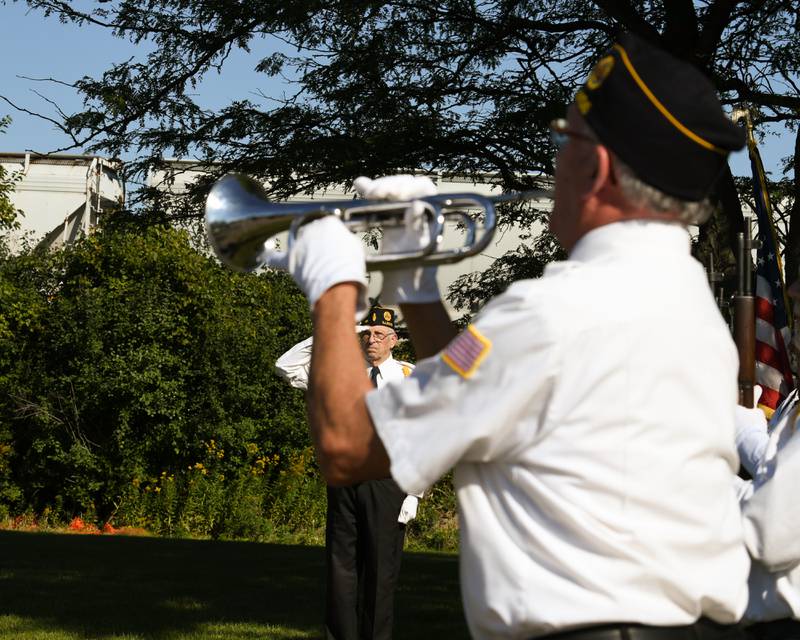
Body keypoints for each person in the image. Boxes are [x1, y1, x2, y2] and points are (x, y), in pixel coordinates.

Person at [269, 33, 751, 639]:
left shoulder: (551, 315)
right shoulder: (687, 306)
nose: (554, 160)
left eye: (563, 142)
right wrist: (416, 282)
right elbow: (470, 376)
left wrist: (335, 288)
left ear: (595, 166)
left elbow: (345, 447)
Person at [275, 306, 417, 640]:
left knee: (381, 572)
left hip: (386, 484)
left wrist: (414, 492)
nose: (372, 340)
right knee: (341, 568)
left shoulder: (412, 378)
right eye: (367, 334)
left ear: (394, 340)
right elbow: (285, 366)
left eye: (380, 335)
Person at [734, 271, 800, 639]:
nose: (792, 336)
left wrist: (696, 480)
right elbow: (781, 473)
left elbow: (769, 531)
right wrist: (746, 430)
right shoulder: (795, 399)